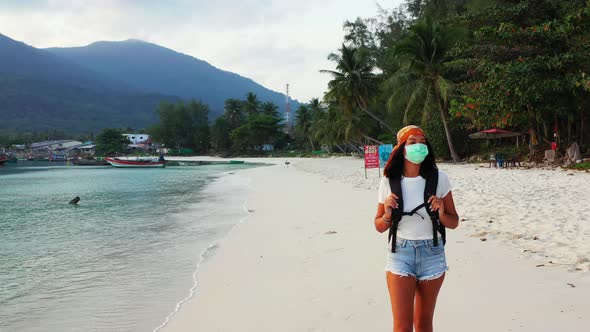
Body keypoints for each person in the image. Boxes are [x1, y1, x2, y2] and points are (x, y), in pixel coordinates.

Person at [374, 125, 459, 332]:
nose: (418, 146)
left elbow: (453, 221)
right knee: (402, 326)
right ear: (402, 148)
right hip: (400, 251)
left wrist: (440, 212)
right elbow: (379, 226)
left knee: (423, 324)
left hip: (432, 252)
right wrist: (386, 215)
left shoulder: (439, 179)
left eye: (422, 142)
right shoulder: (388, 181)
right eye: (412, 142)